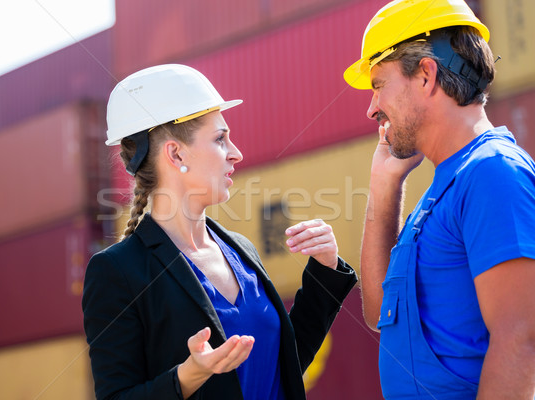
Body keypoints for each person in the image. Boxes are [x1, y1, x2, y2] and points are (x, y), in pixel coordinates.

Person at [82, 64, 357, 400]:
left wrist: (325, 270)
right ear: (176, 152)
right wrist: (188, 376)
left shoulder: (240, 249)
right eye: (220, 138)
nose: (236, 153)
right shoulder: (117, 272)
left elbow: (281, 367)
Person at [343, 0, 535, 398]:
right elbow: (380, 314)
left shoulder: (491, 172)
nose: (371, 108)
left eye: (378, 85)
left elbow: (523, 340)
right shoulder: (440, 190)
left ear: (426, 75)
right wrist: (384, 187)